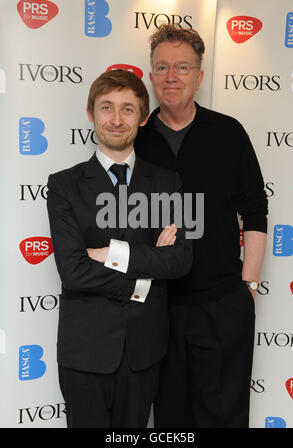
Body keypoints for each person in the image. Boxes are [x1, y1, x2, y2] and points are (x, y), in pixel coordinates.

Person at [134, 24, 268, 428]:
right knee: (170, 419)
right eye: (162, 67)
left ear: (199, 76)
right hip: (157, 306)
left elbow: (256, 210)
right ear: (151, 75)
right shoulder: (134, 140)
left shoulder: (228, 133)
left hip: (222, 304)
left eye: (182, 67)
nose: (171, 76)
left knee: (224, 416)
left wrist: (248, 285)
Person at [46, 69, 192, 428]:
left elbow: (180, 259)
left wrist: (110, 253)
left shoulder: (169, 183)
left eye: (128, 109)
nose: (115, 119)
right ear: (91, 113)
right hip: (85, 351)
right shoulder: (64, 185)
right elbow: (73, 270)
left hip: (144, 350)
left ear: (143, 117)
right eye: (106, 107)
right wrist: (144, 281)